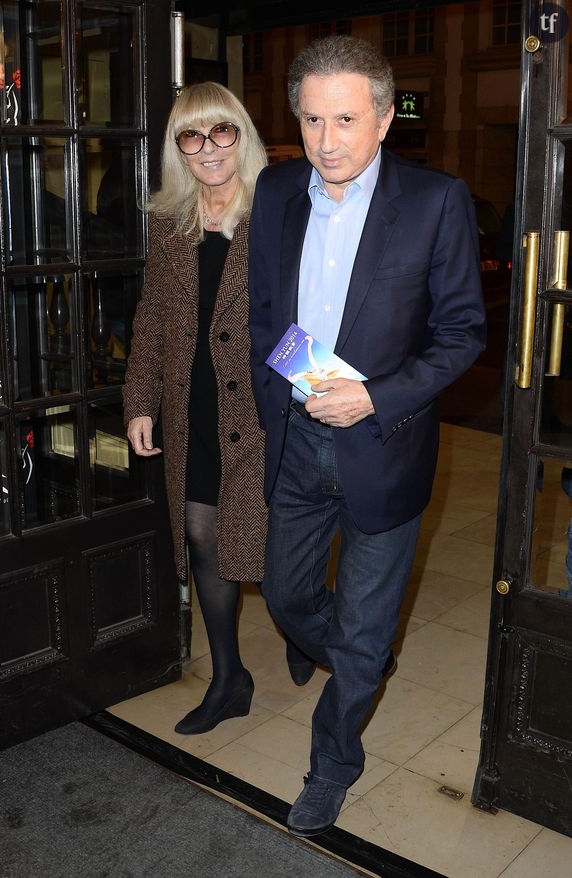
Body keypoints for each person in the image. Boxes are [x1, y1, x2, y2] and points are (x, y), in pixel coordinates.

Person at [248, 36, 487, 837]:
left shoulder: (434, 200)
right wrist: (278, 393)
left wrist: (374, 398)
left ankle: (332, 765)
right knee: (285, 594)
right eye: (312, 119)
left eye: (346, 119)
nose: (326, 141)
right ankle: (360, 654)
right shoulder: (278, 188)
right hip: (293, 437)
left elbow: (462, 334)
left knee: (360, 627)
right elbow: (264, 315)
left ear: (384, 119)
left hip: (383, 445)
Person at [123, 82, 270, 735]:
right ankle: (229, 678)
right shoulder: (171, 221)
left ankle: (304, 632)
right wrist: (140, 400)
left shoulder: (280, 211)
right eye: (192, 136)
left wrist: (328, 395)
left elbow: (311, 316)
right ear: (176, 149)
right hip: (194, 408)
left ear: (242, 134)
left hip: (266, 411)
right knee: (205, 538)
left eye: (222, 132)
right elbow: (153, 317)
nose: (208, 149)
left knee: (283, 551)